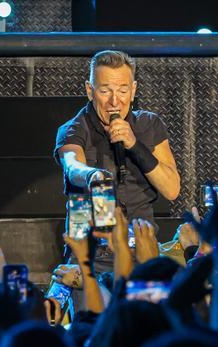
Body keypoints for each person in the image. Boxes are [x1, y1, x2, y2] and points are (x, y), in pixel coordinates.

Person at [54, 50, 181, 231]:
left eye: (123, 90)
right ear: (90, 91)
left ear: (133, 91)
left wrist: (135, 145)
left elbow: (172, 189)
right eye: (105, 91)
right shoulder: (73, 128)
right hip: (89, 243)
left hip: (139, 241)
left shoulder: (149, 124)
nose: (114, 101)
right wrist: (92, 175)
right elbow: (72, 165)